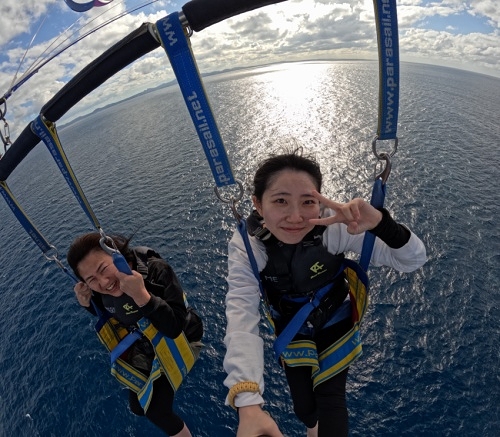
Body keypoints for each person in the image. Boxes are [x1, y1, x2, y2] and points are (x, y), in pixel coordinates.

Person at [223, 150, 427, 437]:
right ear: (258, 204)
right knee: (305, 409)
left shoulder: (335, 227)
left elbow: (412, 260)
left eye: (308, 202)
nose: (296, 217)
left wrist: (382, 224)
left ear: (320, 201)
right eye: (281, 201)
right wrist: (248, 403)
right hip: (292, 326)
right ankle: (311, 427)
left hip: (335, 317)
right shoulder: (249, 245)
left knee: (331, 402)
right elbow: (241, 313)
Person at [67, 232, 203, 437]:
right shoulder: (101, 292)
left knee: (157, 412)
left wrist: (142, 296)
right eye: (91, 279)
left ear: (117, 256)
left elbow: (175, 328)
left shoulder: (156, 271)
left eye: (103, 269)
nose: (103, 282)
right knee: (138, 407)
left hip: (181, 338)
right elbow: (113, 312)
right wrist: (88, 304)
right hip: (148, 341)